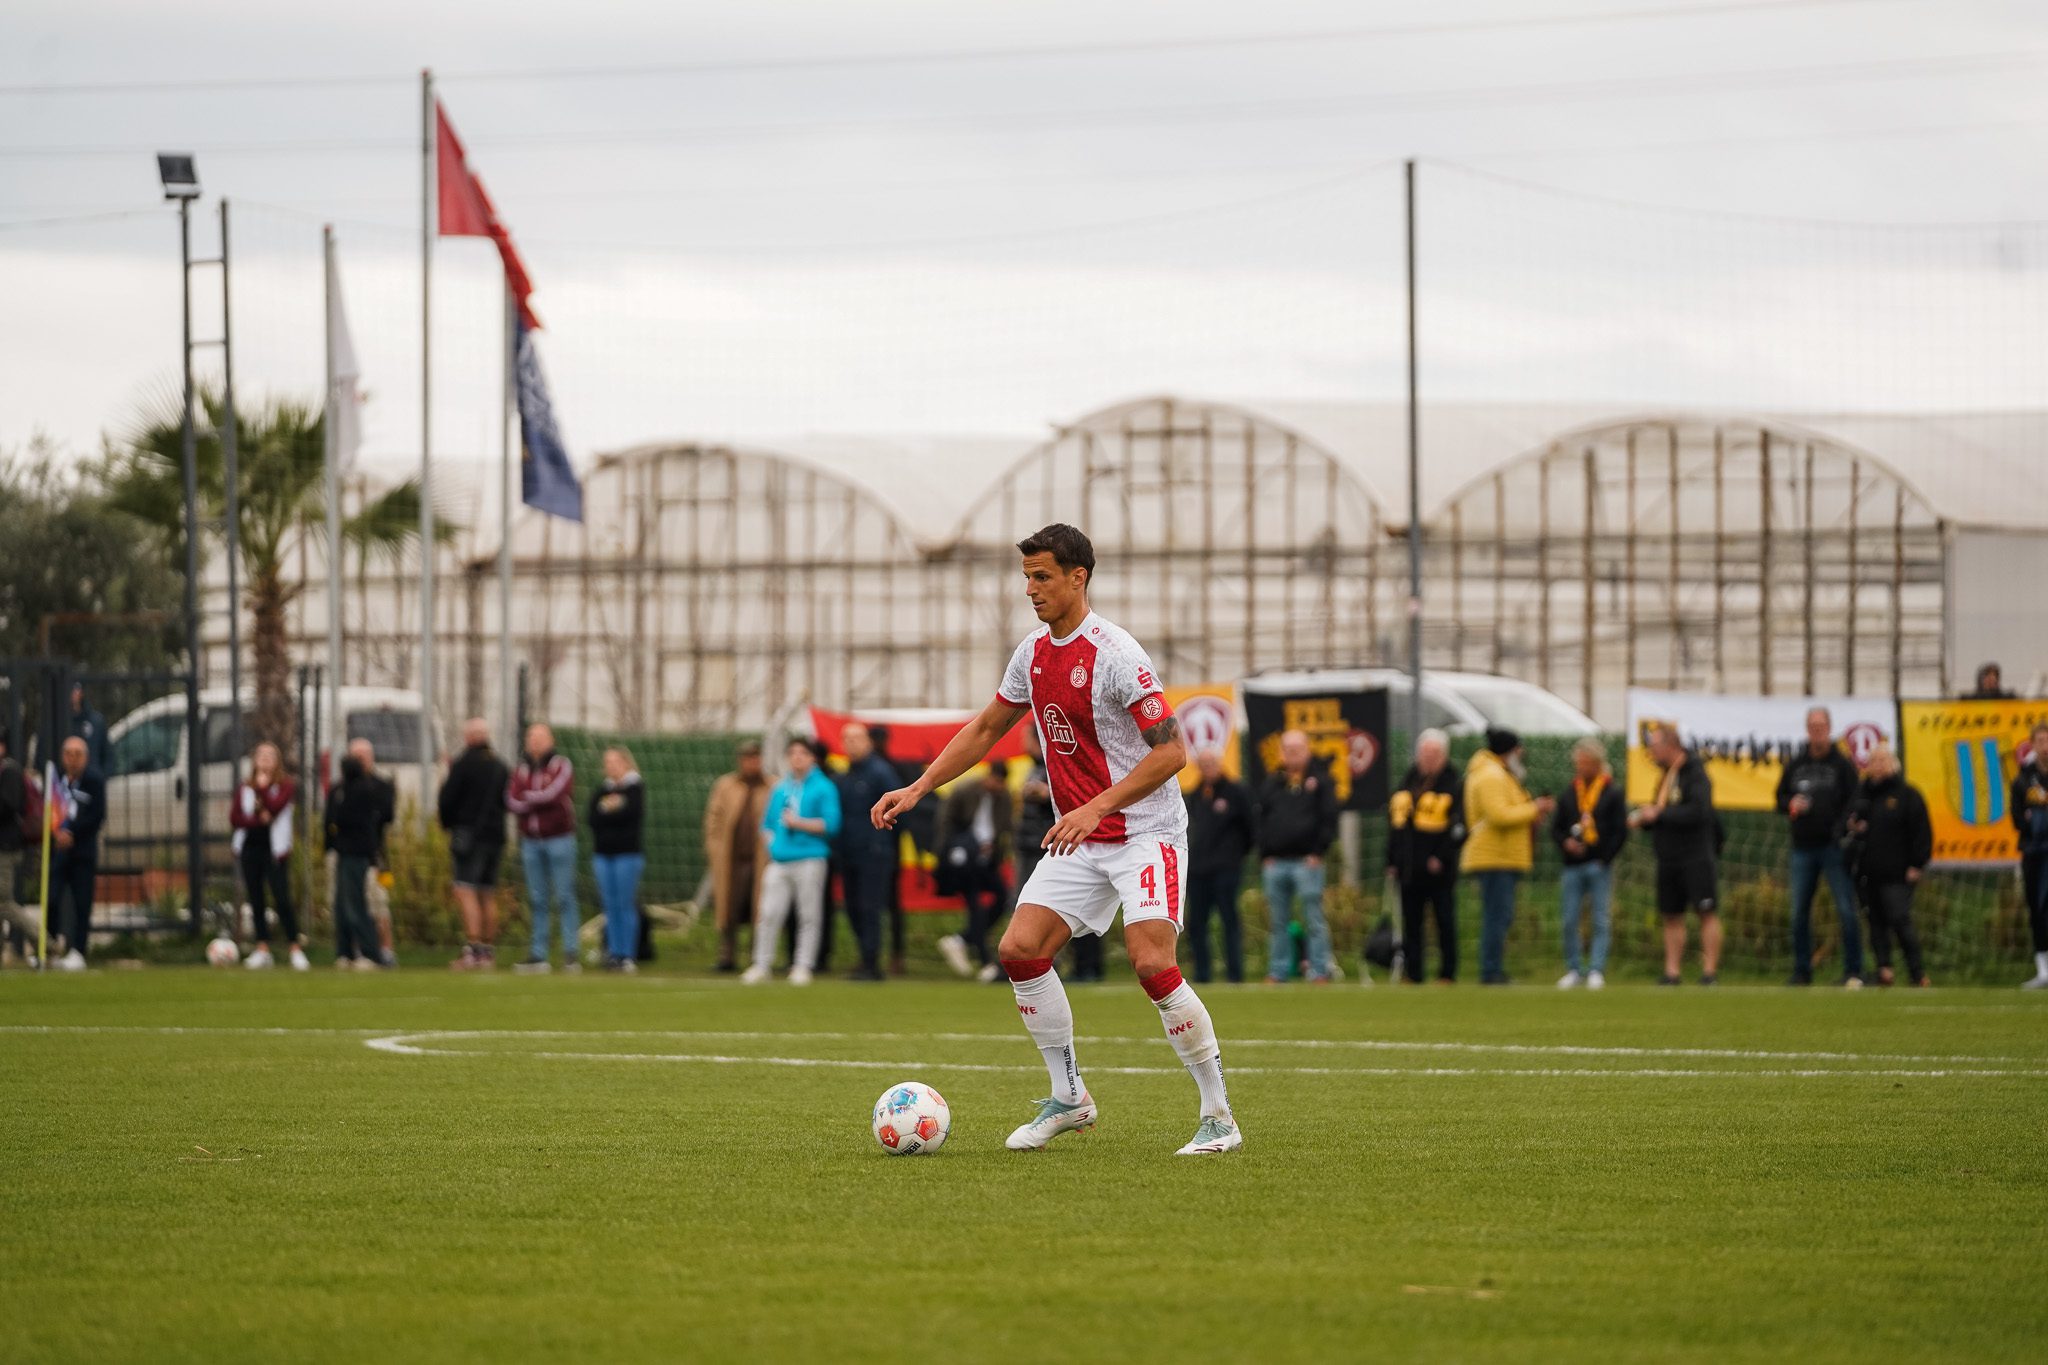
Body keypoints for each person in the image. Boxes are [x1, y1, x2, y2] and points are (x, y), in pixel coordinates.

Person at [871, 523, 1241, 1156]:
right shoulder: (1034, 653)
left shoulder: (1118, 654)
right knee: (1018, 950)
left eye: (1042, 577)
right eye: (1026, 578)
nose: (1031, 590)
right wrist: (919, 787)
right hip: (1083, 835)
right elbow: (987, 726)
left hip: (1145, 831)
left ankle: (1219, 1115)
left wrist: (1095, 807)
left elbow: (1173, 750)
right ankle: (1070, 1097)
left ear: (1079, 578)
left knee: (1153, 963)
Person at [1776, 707, 1865, 988]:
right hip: (1802, 848)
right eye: (1812, 726)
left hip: (1833, 848)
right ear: (1807, 729)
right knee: (1799, 912)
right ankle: (1802, 971)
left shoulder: (1842, 764)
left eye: (1821, 725)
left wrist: (1841, 827)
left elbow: (1856, 800)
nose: (1817, 730)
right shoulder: (1796, 764)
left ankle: (1854, 971)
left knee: (1846, 909)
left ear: (1829, 727)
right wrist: (1791, 804)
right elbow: (1779, 798)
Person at [1460, 728, 1554, 986]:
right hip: (1494, 856)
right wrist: (1534, 808)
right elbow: (1499, 815)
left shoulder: (1498, 774)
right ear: (1508, 751)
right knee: (1497, 916)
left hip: (1502, 856)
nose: (1521, 754)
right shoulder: (1491, 776)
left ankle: (1493, 969)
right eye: (1517, 749)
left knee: (1500, 915)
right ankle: (1490, 971)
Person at [745, 736, 842, 985]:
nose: (797, 758)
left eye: (802, 753)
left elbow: (831, 825)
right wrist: (773, 844)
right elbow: (767, 824)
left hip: (810, 858)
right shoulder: (780, 788)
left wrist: (799, 824)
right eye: (793, 753)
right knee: (768, 912)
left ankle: (802, 965)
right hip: (779, 860)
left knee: (808, 914)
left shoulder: (824, 787)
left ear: (812, 758)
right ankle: (761, 963)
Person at [1630, 724, 1722, 985]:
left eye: (1654, 747)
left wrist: (1658, 814)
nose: (1651, 753)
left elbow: (1698, 811)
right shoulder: (1665, 775)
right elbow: (1662, 810)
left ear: (1670, 746)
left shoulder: (1696, 773)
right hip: (1668, 856)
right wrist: (1644, 819)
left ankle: (1709, 972)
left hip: (1695, 855)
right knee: (1671, 914)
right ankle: (1672, 972)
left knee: (1706, 912)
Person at [1255, 729, 1339, 984]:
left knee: (1313, 918)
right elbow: (1260, 819)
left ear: (1307, 750)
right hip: (1276, 863)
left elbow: (1329, 819)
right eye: (1287, 749)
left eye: (1297, 749)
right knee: (1278, 921)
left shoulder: (1321, 781)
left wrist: (1317, 852)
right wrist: (1265, 853)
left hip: (1307, 862)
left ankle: (1318, 970)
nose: (1292, 754)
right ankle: (1278, 970)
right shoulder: (1272, 782)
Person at [1848, 746, 1932, 988]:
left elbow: (1921, 831)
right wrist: (1852, 827)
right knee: (1875, 921)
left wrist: (1917, 863)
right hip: (1867, 870)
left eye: (1883, 760)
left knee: (1899, 918)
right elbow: (1847, 821)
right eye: (1873, 760)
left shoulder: (1907, 794)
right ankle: (1884, 969)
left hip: (1897, 872)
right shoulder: (1862, 794)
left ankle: (1917, 972)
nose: (1878, 765)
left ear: (1893, 763)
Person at [1387, 729, 1464, 985]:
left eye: (1434, 754)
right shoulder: (1409, 781)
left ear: (1444, 756)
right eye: (1425, 753)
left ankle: (1447, 972)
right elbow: (1396, 825)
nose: (1428, 759)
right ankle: (1414, 972)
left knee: (1444, 920)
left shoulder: (1453, 783)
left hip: (1438, 870)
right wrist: (1392, 860)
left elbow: (1459, 827)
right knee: (1412, 923)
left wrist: (1440, 857)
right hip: (1409, 869)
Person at [1551, 736, 1628, 990]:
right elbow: (1557, 828)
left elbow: (1620, 831)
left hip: (1598, 865)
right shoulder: (1570, 792)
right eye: (1578, 763)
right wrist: (1566, 844)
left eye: (1585, 763)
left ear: (1597, 764)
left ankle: (1596, 969)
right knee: (1570, 919)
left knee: (1600, 919)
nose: (1581, 767)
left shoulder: (1612, 792)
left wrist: (1604, 858)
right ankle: (1574, 969)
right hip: (1572, 865)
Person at [438, 718, 510, 971]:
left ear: (469, 737)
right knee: (487, 893)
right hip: (496, 837)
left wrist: (448, 824)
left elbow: (447, 799)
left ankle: (473, 949)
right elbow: (507, 802)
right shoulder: (500, 765)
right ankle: (488, 952)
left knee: (465, 890)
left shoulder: (463, 764)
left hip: (469, 836)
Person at [228, 741, 307, 971]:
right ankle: (262, 949)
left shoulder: (285, 786)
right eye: (260, 754)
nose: (264, 759)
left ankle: (295, 947)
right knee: (256, 899)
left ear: (277, 761)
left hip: (275, 851)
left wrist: (262, 790)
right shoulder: (245, 787)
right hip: (250, 847)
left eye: (270, 755)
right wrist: (256, 820)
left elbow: (274, 808)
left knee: (281, 897)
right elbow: (236, 819)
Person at [508, 722, 580, 974]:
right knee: (537, 898)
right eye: (531, 736)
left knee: (564, 896)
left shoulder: (561, 765)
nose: (535, 741)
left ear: (550, 740)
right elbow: (511, 800)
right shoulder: (521, 769)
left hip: (559, 839)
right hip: (531, 841)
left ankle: (571, 953)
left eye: (540, 737)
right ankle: (538, 954)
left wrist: (528, 798)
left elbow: (553, 794)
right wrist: (530, 799)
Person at [936, 763, 1015, 983]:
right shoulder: (965, 791)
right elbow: (945, 823)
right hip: (963, 858)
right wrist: (949, 854)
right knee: (975, 905)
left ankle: (962, 939)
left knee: (1002, 898)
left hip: (987, 860)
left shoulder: (1004, 797)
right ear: (989, 776)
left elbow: (1006, 827)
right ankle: (985, 961)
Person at [1184, 748, 1255, 984]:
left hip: (1226, 869)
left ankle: (1235, 973)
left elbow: (1250, 830)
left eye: (1211, 763)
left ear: (1220, 763)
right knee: (1197, 924)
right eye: (1202, 764)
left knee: (1229, 920)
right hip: (1198, 870)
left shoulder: (1236, 792)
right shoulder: (1193, 795)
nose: (1207, 769)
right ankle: (1202, 973)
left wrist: (1235, 856)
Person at [834, 722, 898, 982]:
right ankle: (864, 956)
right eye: (846, 739)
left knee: (870, 907)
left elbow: (897, 807)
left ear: (868, 742)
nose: (851, 744)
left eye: (856, 739)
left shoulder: (881, 773)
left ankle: (872, 963)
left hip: (874, 852)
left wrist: (882, 842)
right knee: (852, 907)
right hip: (848, 852)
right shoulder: (845, 776)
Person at [704, 739, 772, 973]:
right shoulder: (726, 785)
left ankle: (758, 955)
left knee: (759, 906)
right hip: (731, 858)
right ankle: (727, 955)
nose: (752, 763)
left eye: (756, 758)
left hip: (760, 858)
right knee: (728, 907)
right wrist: (714, 849)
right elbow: (713, 819)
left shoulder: (772, 785)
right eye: (747, 758)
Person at [324, 755, 387, 970]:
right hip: (343, 854)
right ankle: (345, 952)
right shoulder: (340, 790)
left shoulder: (362, 791)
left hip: (356, 855)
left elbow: (344, 819)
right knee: (341, 905)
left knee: (355, 904)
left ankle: (370, 953)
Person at [48, 736, 104, 972]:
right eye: (68, 753)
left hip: (82, 851)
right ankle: (50, 950)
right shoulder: (57, 780)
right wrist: (56, 833)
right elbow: (49, 810)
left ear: (86, 757)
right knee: (51, 899)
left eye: (77, 754)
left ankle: (79, 951)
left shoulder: (93, 781)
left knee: (82, 903)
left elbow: (97, 815)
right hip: (59, 850)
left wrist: (73, 834)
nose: (72, 759)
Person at [588, 745, 646, 973]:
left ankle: (628, 955)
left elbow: (630, 816)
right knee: (609, 906)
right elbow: (593, 818)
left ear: (626, 763)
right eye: (607, 762)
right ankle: (613, 953)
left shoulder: (635, 788)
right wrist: (610, 812)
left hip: (627, 855)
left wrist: (609, 812)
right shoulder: (602, 790)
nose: (610, 766)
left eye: (615, 761)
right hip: (603, 854)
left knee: (625, 904)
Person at [346, 737, 397, 966]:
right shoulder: (343, 786)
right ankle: (358, 950)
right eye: (355, 756)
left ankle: (386, 950)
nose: (360, 760)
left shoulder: (381, 785)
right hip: (348, 855)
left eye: (363, 756)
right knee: (352, 904)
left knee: (379, 904)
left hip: (376, 857)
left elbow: (386, 815)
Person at [2010, 722, 2048, 989]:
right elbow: (2017, 817)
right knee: (2037, 907)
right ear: (2032, 744)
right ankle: (2043, 970)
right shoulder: (2023, 779)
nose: (2046, 747)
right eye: (2041, 741)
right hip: (2034, 852)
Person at [0, 729, 38, 966]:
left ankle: (45, 942)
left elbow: (8, 805)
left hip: (7, 847)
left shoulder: (10, 771)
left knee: (4, 903)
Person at [66, 684, 109, 776]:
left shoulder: (96, 721)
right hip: (64, 783)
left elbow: (107, 754)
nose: (73, 694)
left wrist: (101, 777)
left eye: (76, 690)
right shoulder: (56, 720)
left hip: (90, 781)